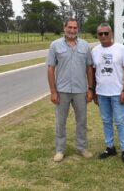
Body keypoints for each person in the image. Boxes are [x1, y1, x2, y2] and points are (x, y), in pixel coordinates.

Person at [47, 18, 94, 162]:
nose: (72, 30)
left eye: (75, 28)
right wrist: (53, 91)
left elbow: (89, 68)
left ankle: (81, 147)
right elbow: (50, 68)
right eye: (70, 27)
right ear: (64, 28)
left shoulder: (85, 46)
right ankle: (60, 150)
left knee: (82, 120)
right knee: (60, 122)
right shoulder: (55, 45)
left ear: (78, 29)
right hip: (62, 90)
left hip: (80, 90)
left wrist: (90, 89)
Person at [91, 23, 124, 165]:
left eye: (106, 33)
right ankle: (110, 147)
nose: (103, 36)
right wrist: (94, 91)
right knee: (106, 121)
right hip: (102, 93)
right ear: (97, 35)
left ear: (111, 34)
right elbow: (93, 71)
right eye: (100, 34)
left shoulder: (121, 49)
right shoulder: (95, 51)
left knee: (120, 122)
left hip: (117, 93)